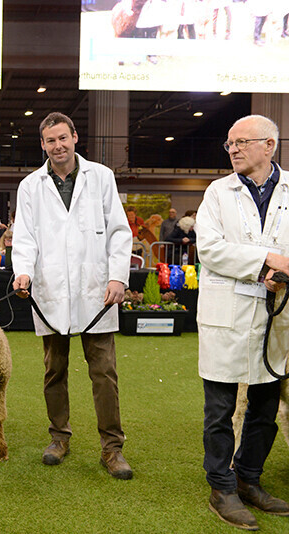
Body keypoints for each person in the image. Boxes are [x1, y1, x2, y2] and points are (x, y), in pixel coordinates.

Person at [12, 112, 133, 480]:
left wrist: (117, 277)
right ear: (43, 144)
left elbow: (118, 231)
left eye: (63, 138)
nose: (58, 146)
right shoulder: (30, 186)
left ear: (75, 137)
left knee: (104, 373)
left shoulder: (102, 177)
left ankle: (112, 448)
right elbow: (25, 237)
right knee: (54, 371)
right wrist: (23, 272)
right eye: (50, 141)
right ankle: (59, 438)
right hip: (50, 291)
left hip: (96, 290)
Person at [195, 114, 289, 530]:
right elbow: (210, 248)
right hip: (228, 314)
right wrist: (266, 261)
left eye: (242, 142)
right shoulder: (218, 192)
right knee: (220, 408)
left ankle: (249, 480)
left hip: (276, 313)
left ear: (269, 144)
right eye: (229, 144)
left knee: (266, 408)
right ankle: (222, 487)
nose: (232, 149)